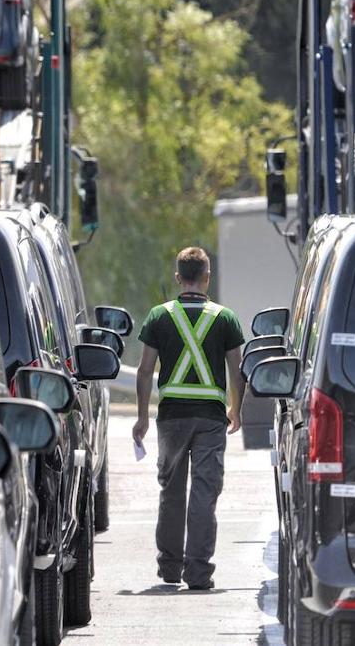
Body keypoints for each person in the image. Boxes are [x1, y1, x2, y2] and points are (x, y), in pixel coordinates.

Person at [133, 247, 245, 590]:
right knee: (204, 492)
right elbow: (237, 371)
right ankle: (198, 571)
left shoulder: (158, 316)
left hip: (171, 418)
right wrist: (235, 409)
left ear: (178, 277)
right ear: (208, 277)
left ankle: (169, 568)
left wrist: (141, 418)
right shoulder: (225, 318)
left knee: (171, 492)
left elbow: (144, 371)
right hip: (211, 419)